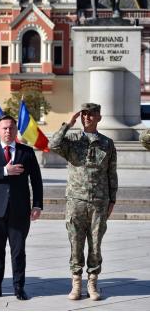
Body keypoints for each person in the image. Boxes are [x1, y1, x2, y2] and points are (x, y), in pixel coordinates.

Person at [49, 103, 117, 301]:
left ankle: (93, 283)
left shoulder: (107, 143)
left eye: (91, 114)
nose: (86, 118)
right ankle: (76, 283)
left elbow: (112, 173)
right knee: (76, 243)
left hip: (99, 202)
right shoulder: (71, 139)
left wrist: (112, 199)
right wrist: (67, 124)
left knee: (95, 244)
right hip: (76, 200)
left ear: (99, 118)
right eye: (84, 114)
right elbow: (53, 145)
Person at [0, 115, 43, 301]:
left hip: (20, 210)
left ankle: (19, 287)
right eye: (4, 128)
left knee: (18, 250)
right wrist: (5, 171)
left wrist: (37, 204)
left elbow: (36, 181)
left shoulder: (27, 152)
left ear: (16, 131)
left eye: (11, 128)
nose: (8, 131)